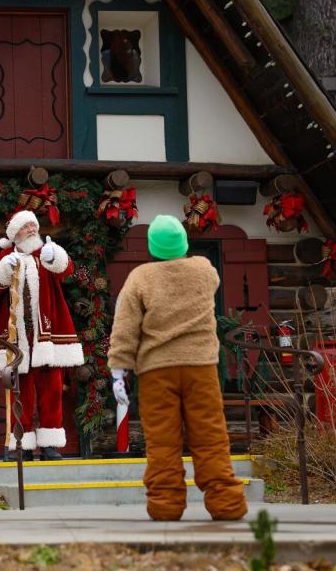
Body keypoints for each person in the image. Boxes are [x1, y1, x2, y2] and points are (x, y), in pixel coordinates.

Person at [108, 214, 248, 521]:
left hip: (156, 370)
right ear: (184, 243)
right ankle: (226, 502)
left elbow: (125, 326)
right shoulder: (204, 269)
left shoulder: (140, 277)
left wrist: (119, 369)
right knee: (211, 434)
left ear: (152, 246)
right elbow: (213, 283)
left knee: (162, 440)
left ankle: (165, 505)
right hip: (201, 366)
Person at [0, 210, 84, 461]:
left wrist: (57, 256)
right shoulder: (5, 257)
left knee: (51, 390)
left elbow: (67, 271)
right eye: (26, 226)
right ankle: (21, 446)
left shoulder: (46, 252)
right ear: (14, 234)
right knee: (20, 392)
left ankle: (50, 445)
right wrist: (3, 273)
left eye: (33, 225)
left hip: (48, 337)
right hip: (18, 339)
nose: (31, 229)